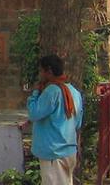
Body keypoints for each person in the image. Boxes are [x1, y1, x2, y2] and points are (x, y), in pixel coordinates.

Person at [26, 54, 84, 185]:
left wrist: (35, 93)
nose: (40, 75)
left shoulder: (52, 92)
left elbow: (34, 113)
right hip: (69, 150)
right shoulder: (74, 92)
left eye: (41, 71)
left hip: (53, 153)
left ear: (49, 71)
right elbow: (78, 123)